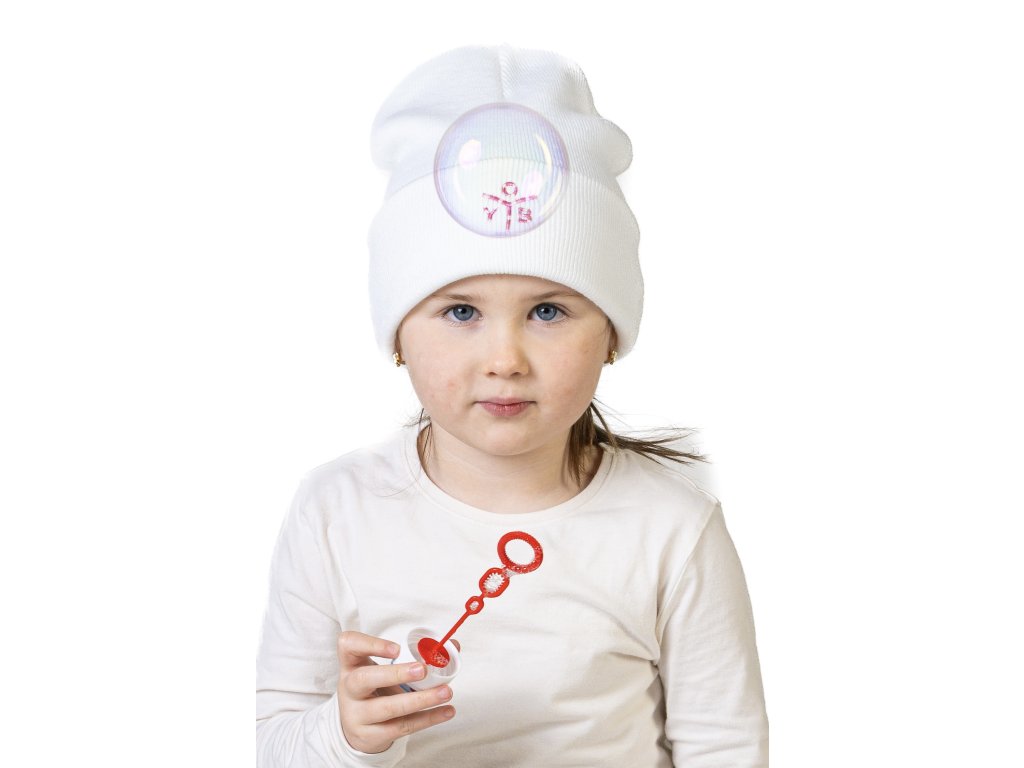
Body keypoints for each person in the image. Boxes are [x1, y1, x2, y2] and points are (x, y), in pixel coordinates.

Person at [255, 44, 768, 767]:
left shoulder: (672, 528)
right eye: (460, 311)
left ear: (612, 334)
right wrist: (347, 736)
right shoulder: (335, 511)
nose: (505, 358)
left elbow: (725, 745)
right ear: (398, 336)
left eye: (548, 311)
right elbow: (273, 742)